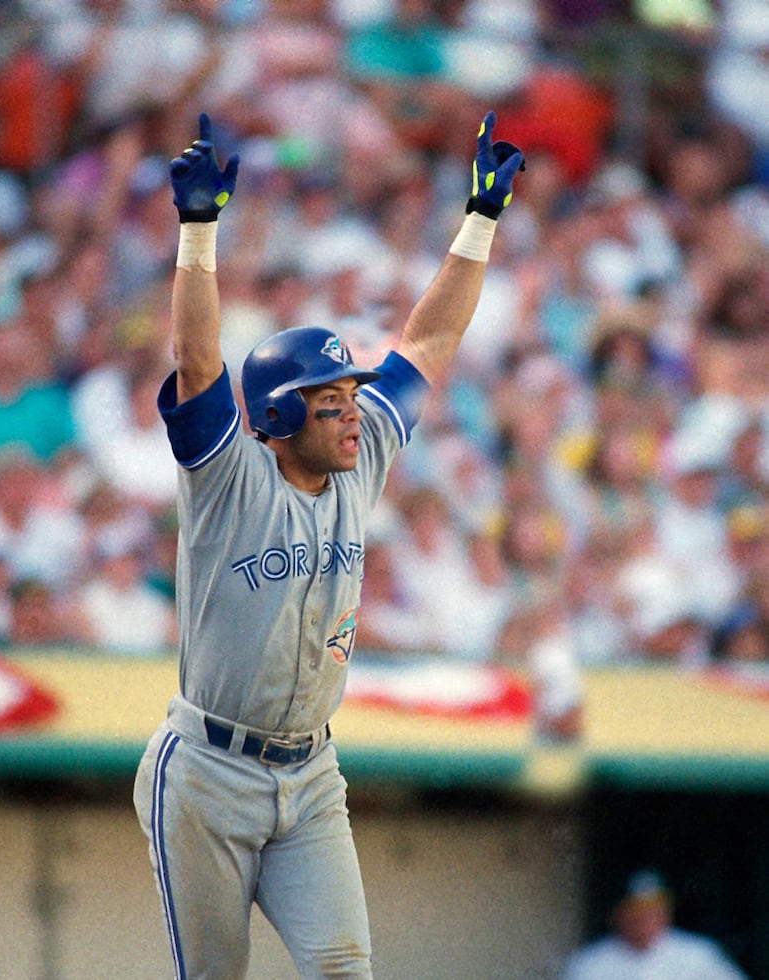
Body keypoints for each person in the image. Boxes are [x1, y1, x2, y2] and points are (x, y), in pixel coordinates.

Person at [132, 111, 523, 978]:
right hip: (206, 772)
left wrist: (481, 219)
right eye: (329, 398)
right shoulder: (229, 476)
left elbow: (424, 342)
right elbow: (198, 362)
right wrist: (199, 233)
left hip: (310, 777)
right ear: (276, 416)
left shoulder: (365, 456)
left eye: (352, 393)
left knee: (345, 971)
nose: (353, 411)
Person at [560, 869, 748, 980]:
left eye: (654, 909)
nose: (646, 919)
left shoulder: (699, 956)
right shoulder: (589, 964)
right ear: (616, 915)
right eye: (635, 911)